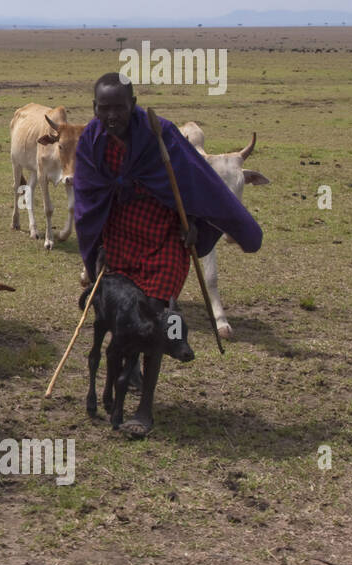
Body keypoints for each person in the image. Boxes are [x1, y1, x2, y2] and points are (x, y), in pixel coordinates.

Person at [72, 73, 262, 430]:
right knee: (125, 315)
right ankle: (128, 374)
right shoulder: (91, 142)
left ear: (133, 104)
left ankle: (145, 409)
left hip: (164, 237)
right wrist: (96, 248)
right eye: (103, 108)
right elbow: (87, 198)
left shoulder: (161, 135)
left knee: (157, 319)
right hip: (120, 238)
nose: (111, 116)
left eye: (119, 108)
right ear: (94, 107)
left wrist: (194, 225)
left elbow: (197, 185)